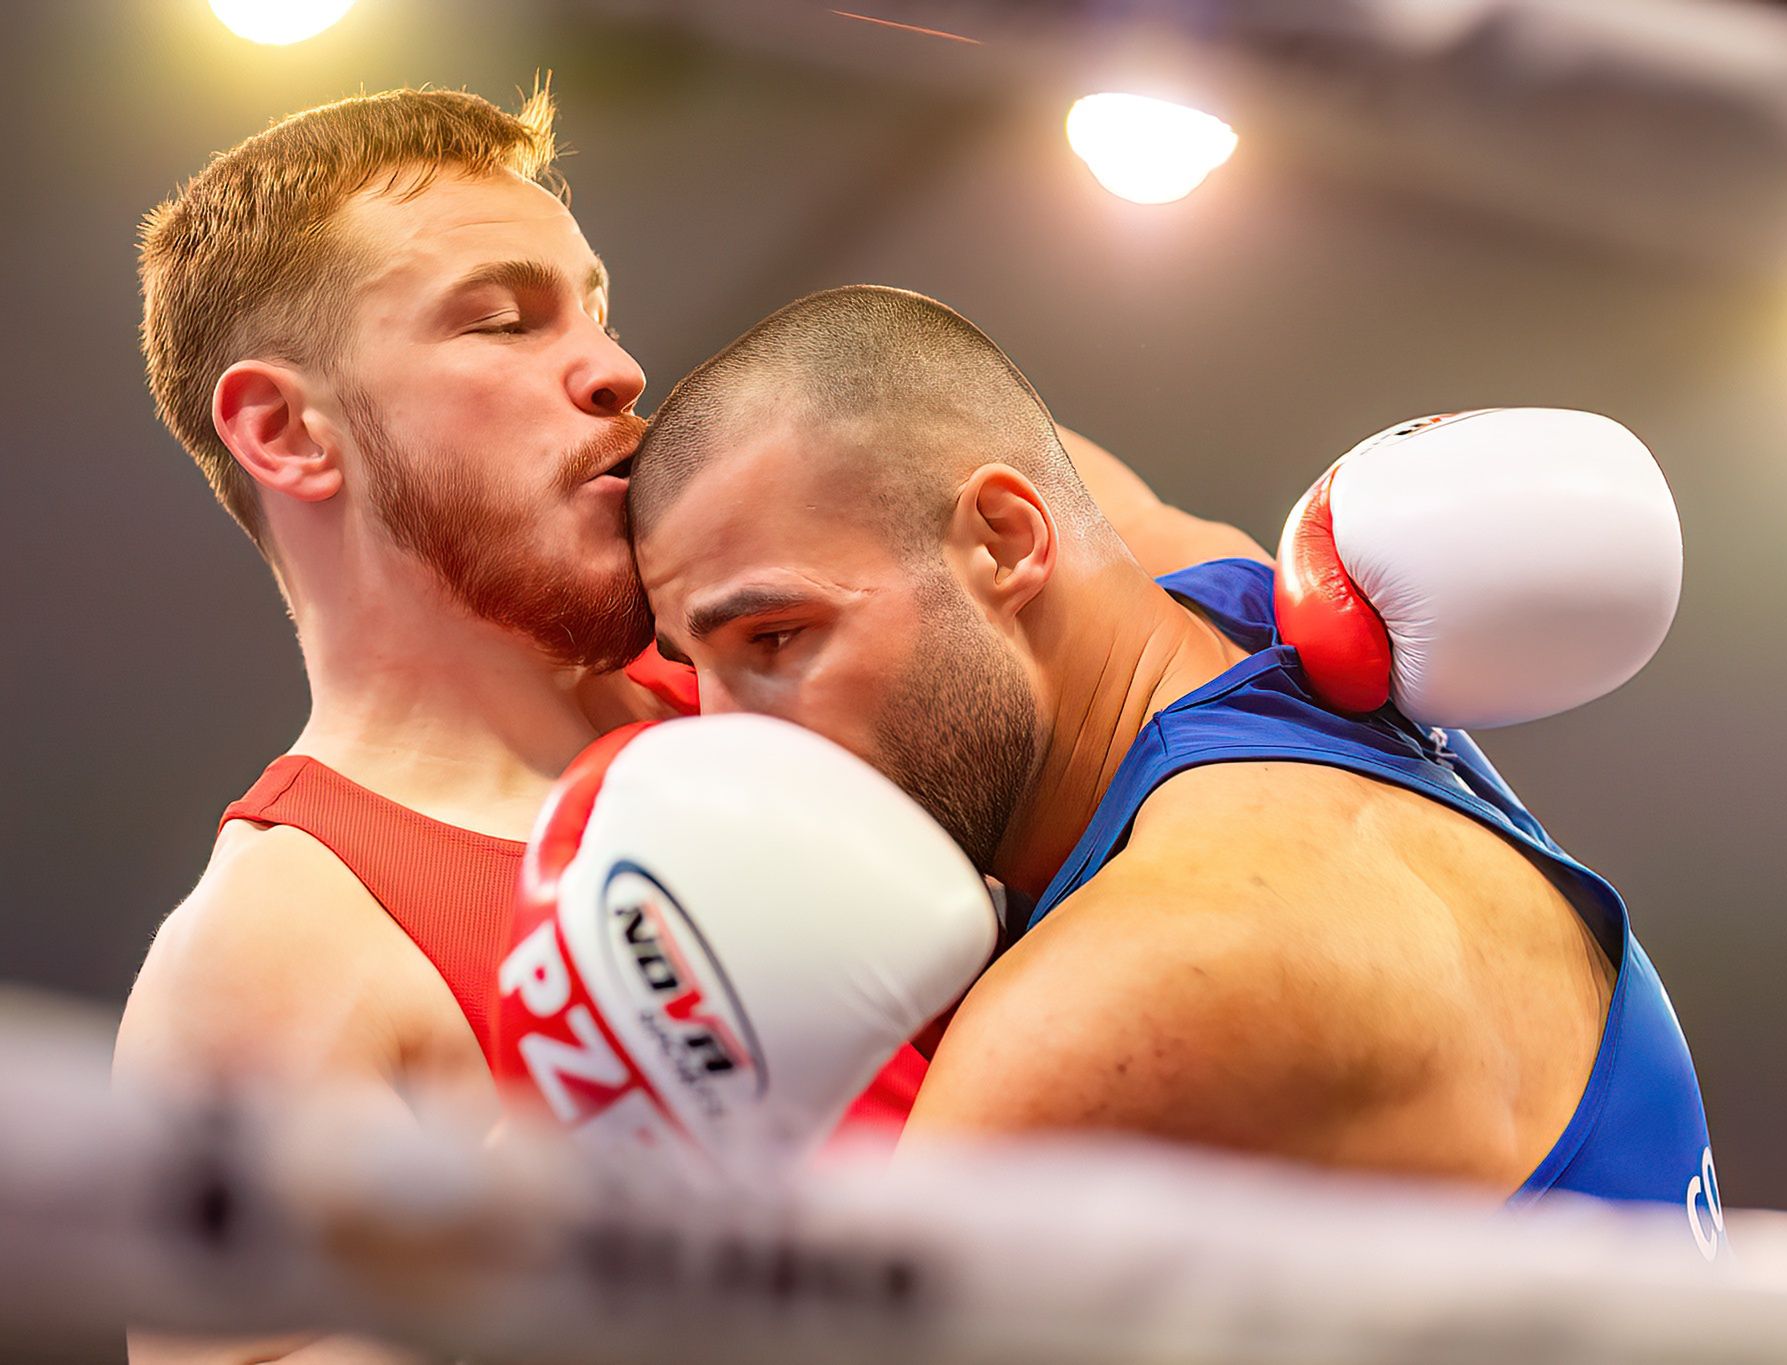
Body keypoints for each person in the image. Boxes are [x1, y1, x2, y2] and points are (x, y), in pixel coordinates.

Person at [115, 89, 1251, 1364]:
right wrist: (571, 1187)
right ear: (284, 430)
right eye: (502, 319)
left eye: (593, 306)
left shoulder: (792, 586)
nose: (613, 366)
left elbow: (1215, 617)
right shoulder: (275, 951)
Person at [624, 285, 1719, 1245]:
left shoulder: (1115, 998)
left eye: (774, 640)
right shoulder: (1236, 610)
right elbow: (956, 421)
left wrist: (566, 1123)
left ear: (1006, 541)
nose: (729, 736)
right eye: (696, 662)